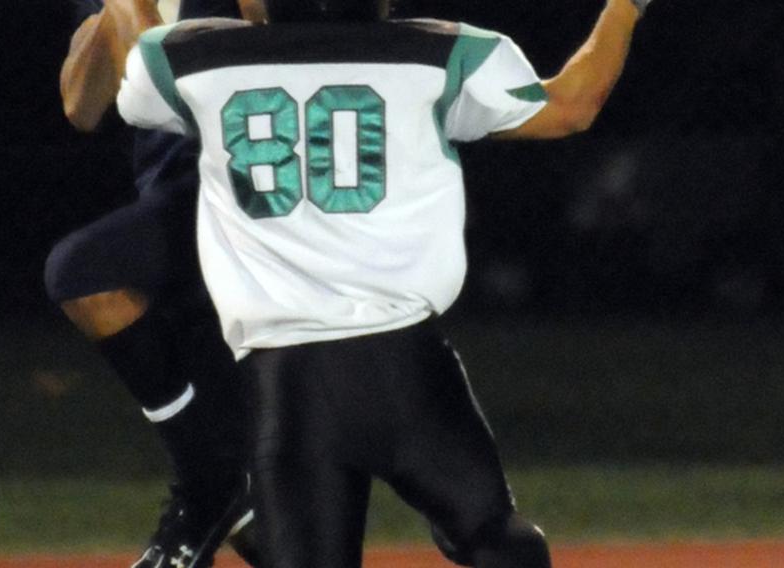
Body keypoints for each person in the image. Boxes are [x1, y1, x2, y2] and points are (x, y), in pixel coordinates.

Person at [116, 0, 653, 566]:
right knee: (501, 545)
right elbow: (571, 105)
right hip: (406, 371)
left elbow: (139, 73)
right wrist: (625, 6)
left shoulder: (186, 57)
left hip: (286, 384)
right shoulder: (443, 51)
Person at [45, 1, 265, 566]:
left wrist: (138, 13)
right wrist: (116, 14)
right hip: (175, 209)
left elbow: (186, 96)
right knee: (267, 528)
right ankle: (215, 489)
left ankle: (209, 487)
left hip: (248, 196)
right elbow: (81, 108)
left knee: (83, 271)